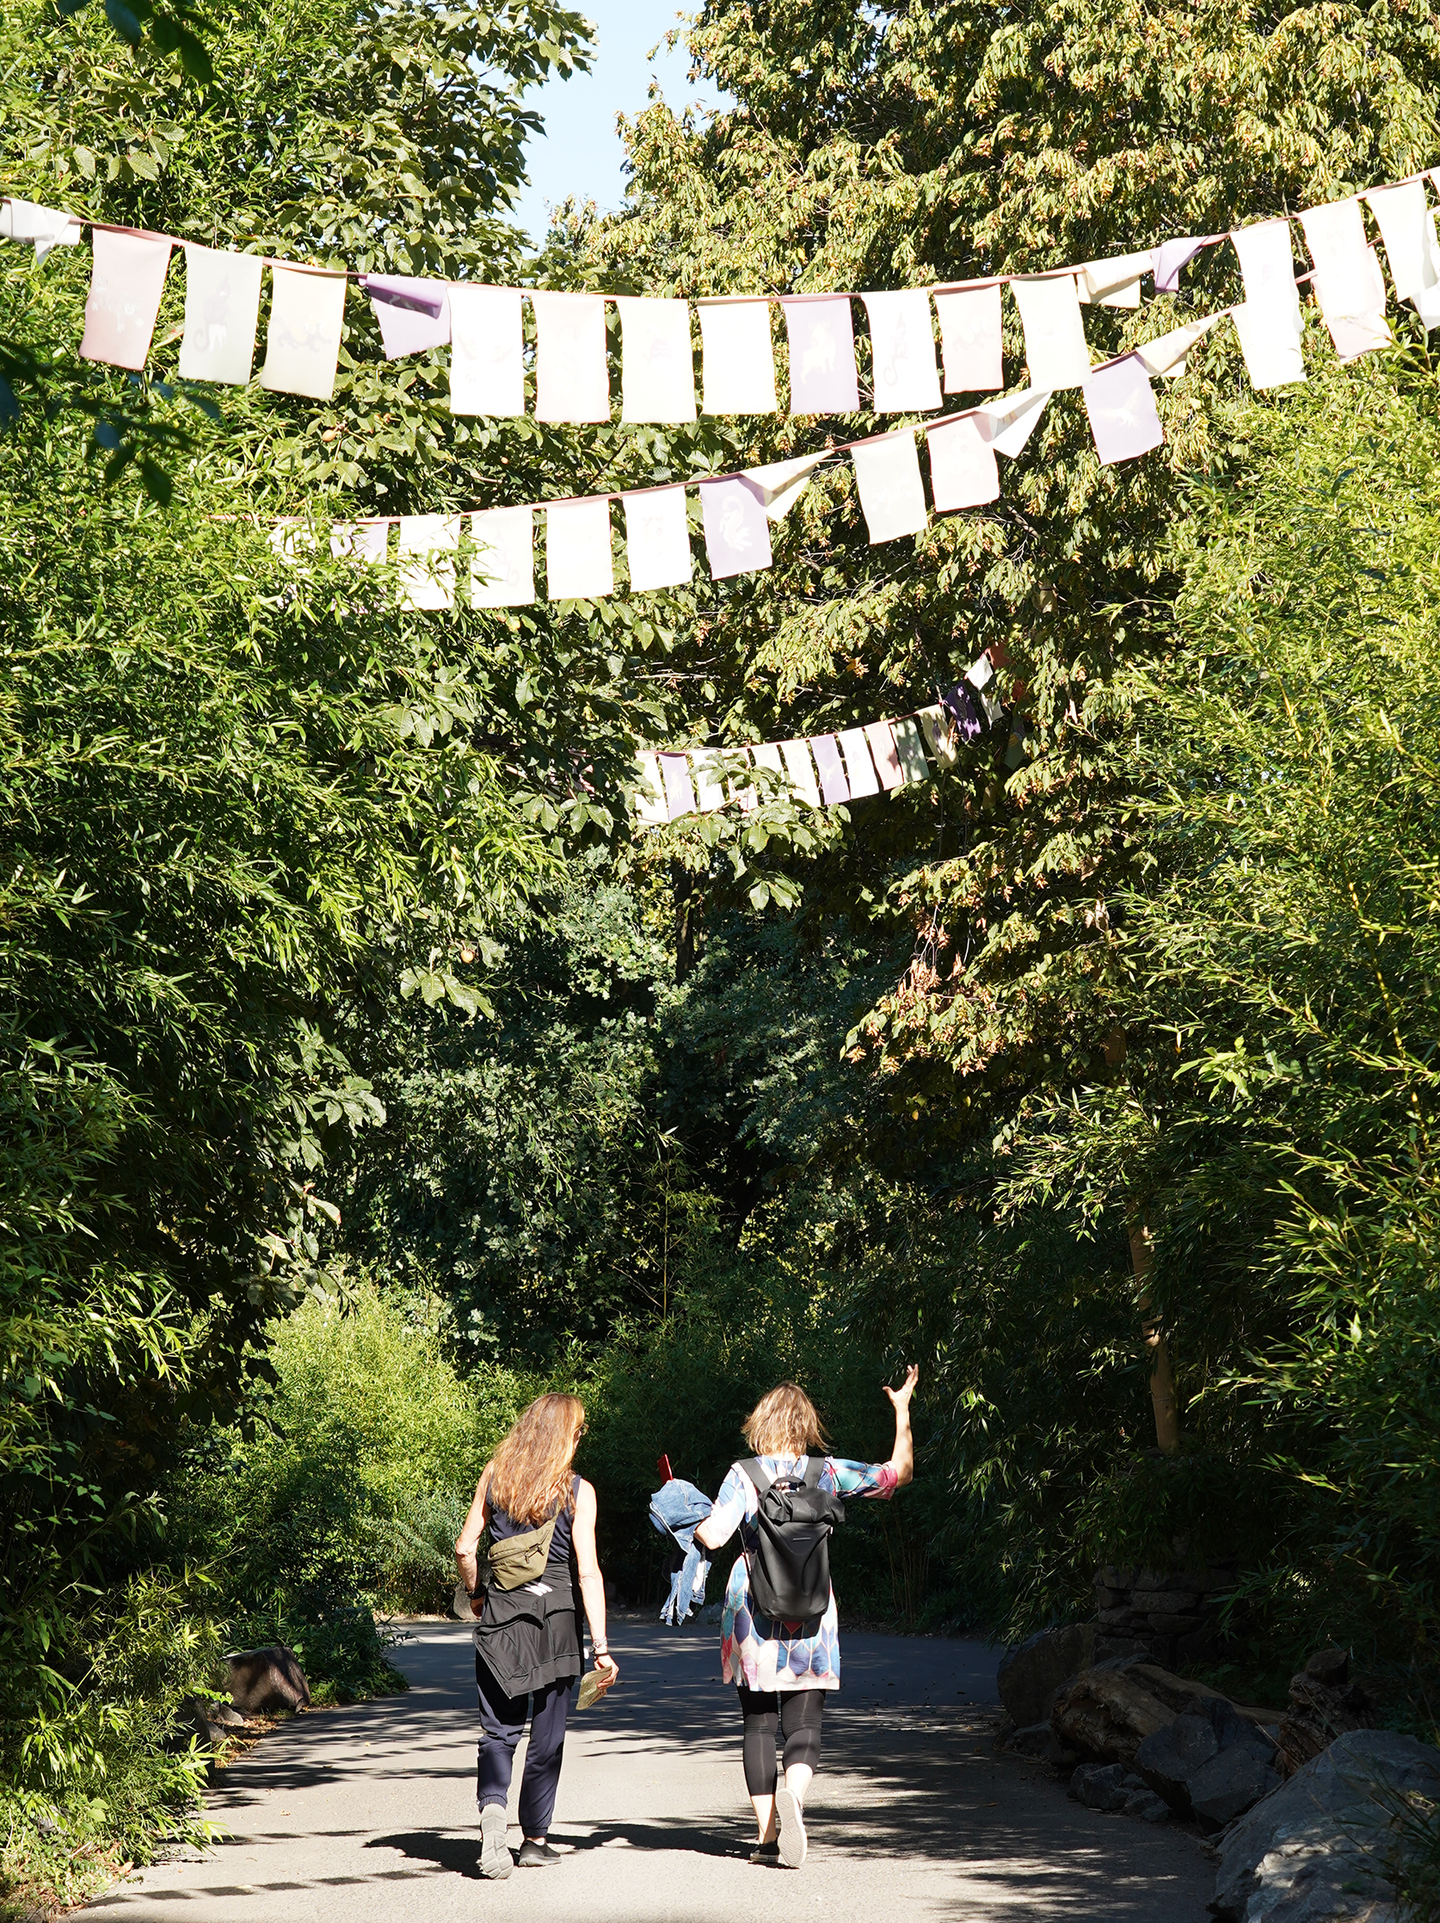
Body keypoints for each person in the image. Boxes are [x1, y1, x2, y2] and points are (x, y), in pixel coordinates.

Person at [694, 1365, 918, 1869]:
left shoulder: (744, 1475)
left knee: (757, 1722)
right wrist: (902, 1411)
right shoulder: (828, 1473)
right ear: (806, 1426)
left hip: (751, 1610)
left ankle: (768, 1834)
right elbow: (897, 1475)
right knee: (805, 1720)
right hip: (813, 1612)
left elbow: (713, 1535)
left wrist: (686, 1521)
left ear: (761, 1423)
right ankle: (795, 1796)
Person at [454, 1393, 619, 1879]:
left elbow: (466, 1548)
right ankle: (535, 1840)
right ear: (568, 1435)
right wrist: (602, 1647)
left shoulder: (494, 1476)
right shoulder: (578, 1491)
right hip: (557, 1626)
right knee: (547, 1738)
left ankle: (492, 1811)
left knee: (498, 1732)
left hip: (501, 1620)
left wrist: (477, 1595)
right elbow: (587, 1572)